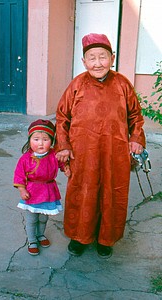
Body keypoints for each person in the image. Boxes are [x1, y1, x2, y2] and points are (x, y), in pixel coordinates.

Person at [55, 33, 146, 258]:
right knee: (82, 191)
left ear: (112, 58)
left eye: (103, 57)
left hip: (115, 152)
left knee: (112, 192)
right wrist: (63, 145)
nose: (98, 63)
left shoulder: (122, 83)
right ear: (84, 62)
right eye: (92, 58)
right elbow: (61, 117)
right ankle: (79, 237)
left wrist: (135, 138)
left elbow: (135, 115)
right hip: (82, 152)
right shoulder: (77, 84)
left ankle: (107, 238)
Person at [14, 119, 70, 256]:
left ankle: (40, 235)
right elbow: (19, 175)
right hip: (32, 192)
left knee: (44, 218)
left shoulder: (53, 155)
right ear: (29, 140)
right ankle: (32, 240)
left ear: (51, 141)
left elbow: (62, 164)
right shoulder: (25, 158)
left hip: (49, 191)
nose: (40, 143)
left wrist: (66, 168)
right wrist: (22, 189)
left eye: (45, 139)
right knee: (32, 218)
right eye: (36, 139)